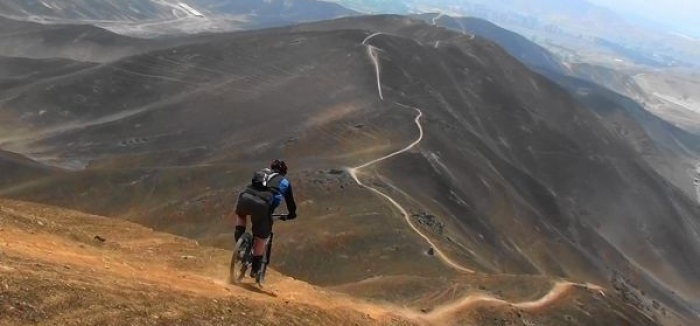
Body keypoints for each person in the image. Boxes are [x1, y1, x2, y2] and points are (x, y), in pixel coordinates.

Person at [233, 159, 297, 277]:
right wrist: (292, 214)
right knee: (261, 238)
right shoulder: (284, 182)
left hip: (245, 197)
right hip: (262, 207)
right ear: (284, 172)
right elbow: (290, 203)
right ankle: (255, 270)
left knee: (241, 216)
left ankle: (240, 247)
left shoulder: (262, 173)